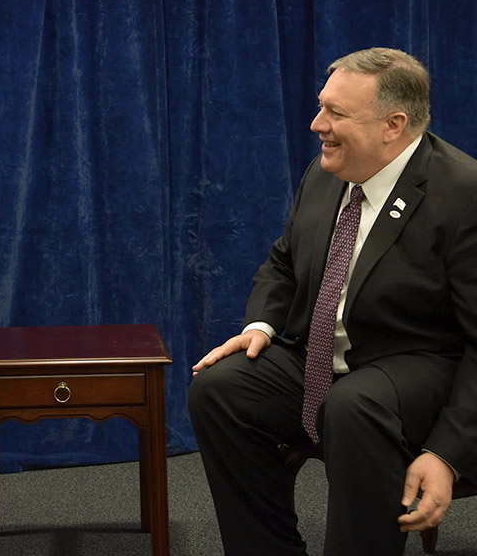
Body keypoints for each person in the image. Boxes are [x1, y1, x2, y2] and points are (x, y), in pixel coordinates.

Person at [188, 48, 477, 556]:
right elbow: (282, 264)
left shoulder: (463, 192)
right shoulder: (327, 172)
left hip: (422, 367)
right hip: (325, 359)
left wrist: (446, 454)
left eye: (336, 113)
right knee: (221, 389)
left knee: (353, 406)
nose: (317, 123)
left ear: (393, 124)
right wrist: (261, 326)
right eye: (322, 106)